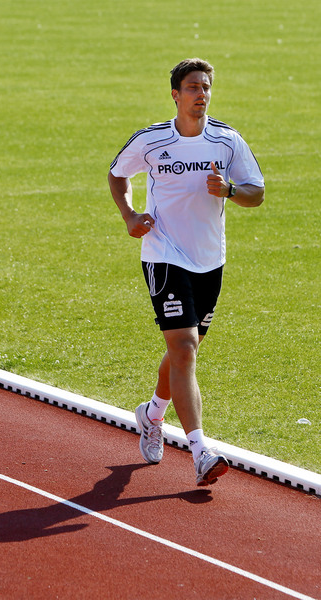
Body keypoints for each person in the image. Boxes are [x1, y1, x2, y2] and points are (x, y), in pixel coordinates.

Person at [108, 58, 264, 486]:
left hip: (210, 259)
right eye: (193, 87)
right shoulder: (151, 140)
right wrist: (129, 215)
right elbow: (117, 174)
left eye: (206, 87)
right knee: (184, 345)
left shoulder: (227, 141)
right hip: (163, 254)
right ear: (175, 95)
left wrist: (229, 190)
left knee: (184, 352)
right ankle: (200, 452)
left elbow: (257, 193)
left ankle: (152, 414)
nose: (201, 94)